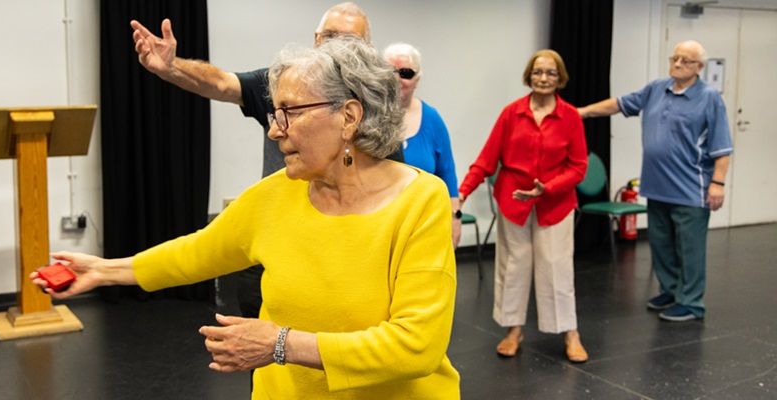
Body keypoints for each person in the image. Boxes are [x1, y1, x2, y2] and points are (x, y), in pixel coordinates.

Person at [32, 37, 460, 399]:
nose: (276, 129)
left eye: (290, 112)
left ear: (348, 116)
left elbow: (416, 346)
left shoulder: (419, 200)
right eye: (275, 113)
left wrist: (280, 345)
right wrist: (105, 270)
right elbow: (198, 252)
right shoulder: (276, 194)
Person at [130, 2, 402, 323]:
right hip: (273, 258)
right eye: (329, 36)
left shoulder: (378, 116)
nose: (278, 130)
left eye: (349, 41)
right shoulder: (283, 83)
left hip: (342, 267)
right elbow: (220, 82)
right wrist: (172, 67)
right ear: (315, 38)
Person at [578, 40, 732, 322]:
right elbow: (619, 104)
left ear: (699, 67)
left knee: (689, 248)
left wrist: (717, 183)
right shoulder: (656, 89)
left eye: (686, 61)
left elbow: (722, 146)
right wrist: (583, 112)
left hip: (691, 189)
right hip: (657, 186)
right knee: (661, 244)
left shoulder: (709, 98)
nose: (677, 64)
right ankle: (671, 291)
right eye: (675, 58)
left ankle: (691, 302)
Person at [459, 49, 589, 363]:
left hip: (555, 204)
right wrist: (461, 192)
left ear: (560, 79)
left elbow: (578, 166)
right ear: (529, 76)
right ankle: (513, 330)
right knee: (513, 267)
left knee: (556, 268)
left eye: (551, 73)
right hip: (513, 202)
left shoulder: (570, 116)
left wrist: (549, 188)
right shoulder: (511, 113)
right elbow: (487, 159)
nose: (543, 78)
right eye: (538, 72)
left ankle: (570, 332)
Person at [383, 43, 461, 246]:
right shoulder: (365, 117)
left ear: (417, 79)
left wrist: (455, 218)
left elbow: (447, 172)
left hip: (424, 225)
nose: (396, 78)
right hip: (380, 224)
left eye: (405, 73)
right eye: (390, 71)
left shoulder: (432, 118)